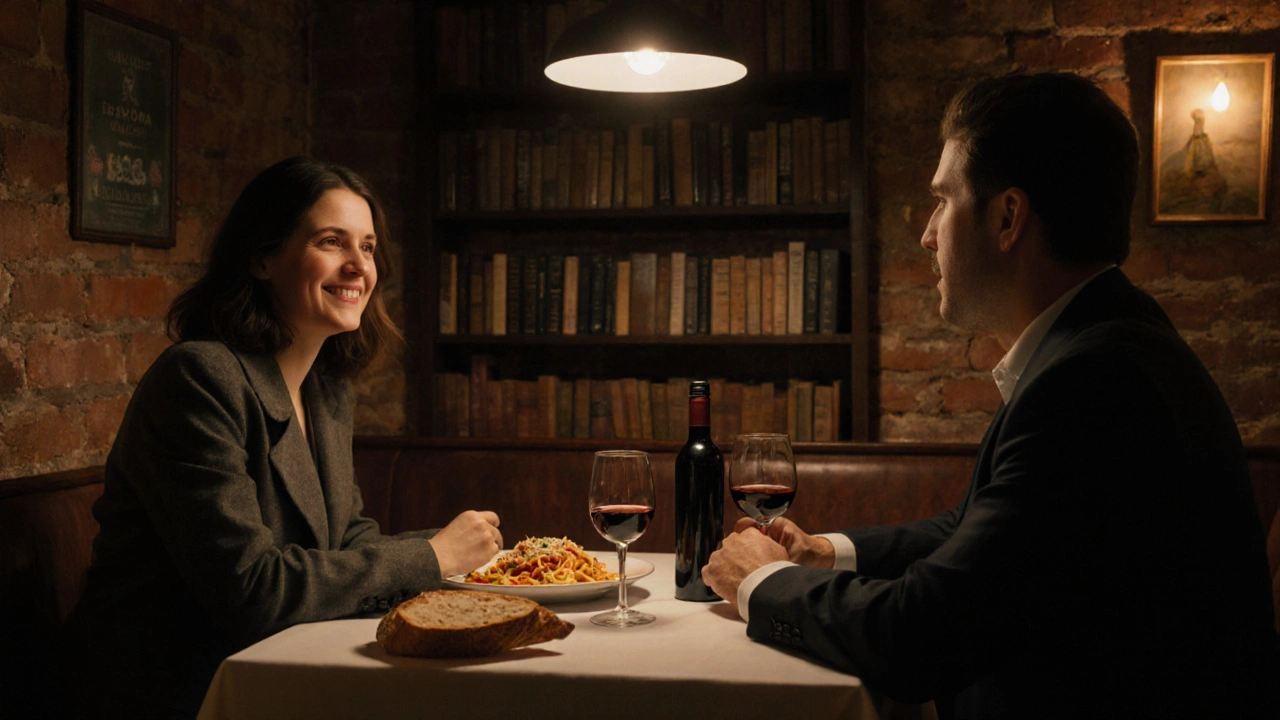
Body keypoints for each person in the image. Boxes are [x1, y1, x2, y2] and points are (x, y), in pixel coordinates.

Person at [703, 72, 1279, 719]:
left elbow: (922, 637)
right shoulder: (1109, 343)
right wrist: (826, 552)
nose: (927, 235)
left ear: (1007, 217)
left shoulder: (1094, 386)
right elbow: (979, 533)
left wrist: (764, 580)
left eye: (943, 201)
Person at [61, 157, 504, 719]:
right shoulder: (198, 379)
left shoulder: (324, 390)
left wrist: (477, 557)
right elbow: (252, 590)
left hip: (275, 671)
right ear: (261, 258)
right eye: (331, 241)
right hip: (169, 692)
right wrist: (433, 557)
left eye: (367, 247)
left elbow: (343, 542)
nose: (357, 267)